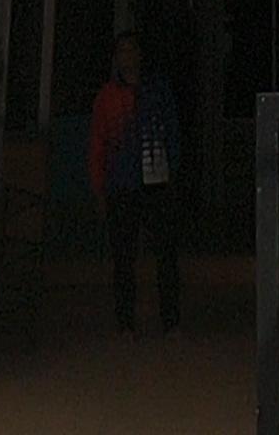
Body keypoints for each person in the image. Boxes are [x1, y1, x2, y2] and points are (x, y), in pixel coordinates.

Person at [87, 30, 184, 333]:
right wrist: (100, 186)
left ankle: (170, 321)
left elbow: (171, 133)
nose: (127, 57)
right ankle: (125, 322)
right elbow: (98, 143)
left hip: (155, 180)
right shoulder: (108, 97)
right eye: (122, 52)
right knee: (123, 257)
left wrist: (173, 174)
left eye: (132, 50)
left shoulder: (157, 90)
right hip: (122, 183)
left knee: (165, 254)